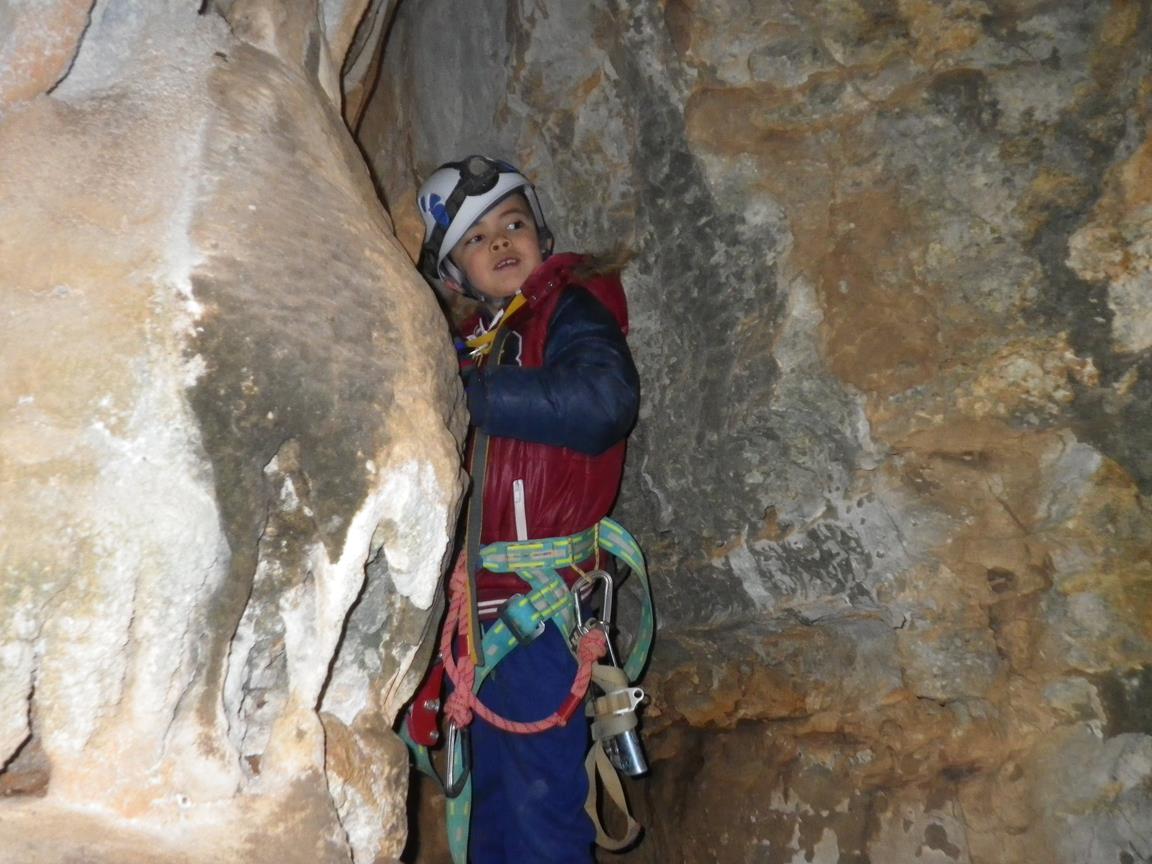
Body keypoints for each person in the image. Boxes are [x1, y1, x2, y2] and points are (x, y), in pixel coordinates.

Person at [415, 155, 641, 863]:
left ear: (542, 235)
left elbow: (604, 403)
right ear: (455, 276)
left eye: (513, 224)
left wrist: (469, 399)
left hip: (540, 609)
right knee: (491, 805)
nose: (501, 241)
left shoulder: (570, 307)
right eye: (478, 239)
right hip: (480, 611)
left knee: (540, 804)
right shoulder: (472, 351)